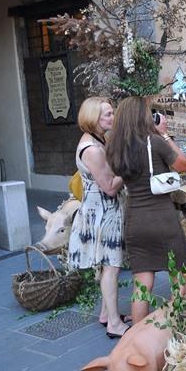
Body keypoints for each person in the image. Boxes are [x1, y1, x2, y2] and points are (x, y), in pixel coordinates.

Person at [106, 97, 186, 323]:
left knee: (141, 286)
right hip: (162, 219)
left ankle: (137, 338)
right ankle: (176, 330)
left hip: (135, 221)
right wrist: (163, 133)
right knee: (179, 277)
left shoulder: (115, 148)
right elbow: (183, 164)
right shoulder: (155, 141)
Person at [68, 97, 129, 339]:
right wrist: (127, 167)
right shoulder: (92, 149)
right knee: (112, 268)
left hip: (104, 211)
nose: (112, 118)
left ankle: (106, 315)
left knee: (108, 265)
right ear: (93, 118)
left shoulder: (97, 140)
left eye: (112, 113)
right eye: (107, 115)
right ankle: (114, 323)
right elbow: (110, 187)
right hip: (103, 214)